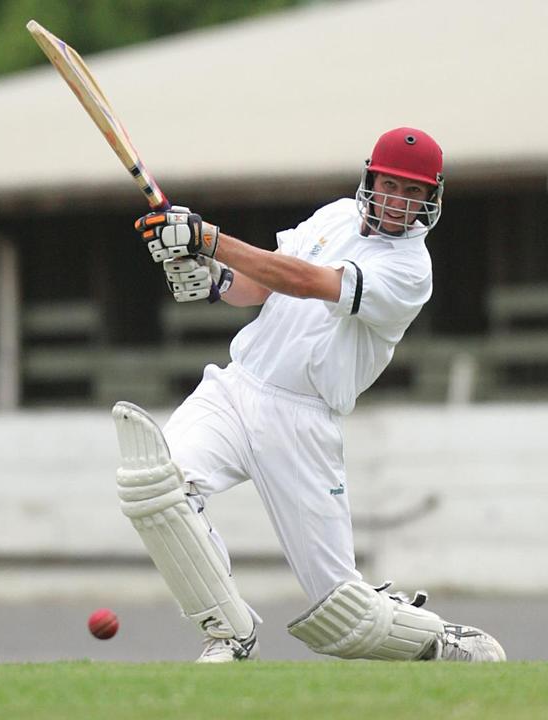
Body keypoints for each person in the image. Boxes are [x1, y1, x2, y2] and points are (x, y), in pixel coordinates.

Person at [111, 127, 506, 664]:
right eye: (391, 185)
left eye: (414, 192)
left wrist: (207, 239)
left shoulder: (411, 269)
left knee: (346, 615)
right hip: (235, 387)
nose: (399, 201)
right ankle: (228, 631)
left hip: (302, 422)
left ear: (431, 199)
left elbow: (304, 281)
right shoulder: (336, 215)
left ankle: (439, 642)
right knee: (153, 483)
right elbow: (259, 285)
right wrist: (211, 276)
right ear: (371, 179)